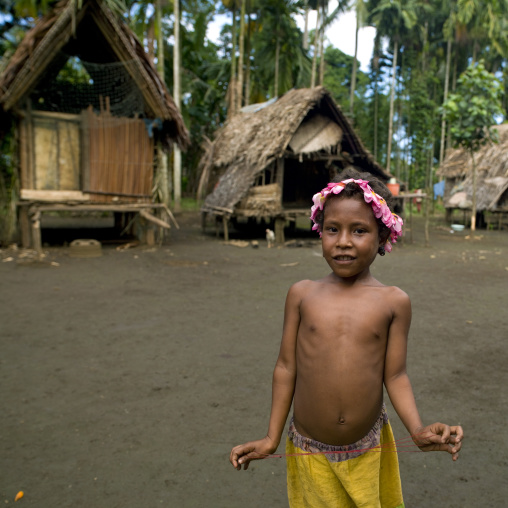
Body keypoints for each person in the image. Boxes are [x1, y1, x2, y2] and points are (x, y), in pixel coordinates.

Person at [229, 168, 463, 508]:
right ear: (319, 232)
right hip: (309, 450)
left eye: (359, 230)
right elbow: (285, 368)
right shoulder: (302, 295)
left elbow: (395, 375)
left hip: (368, 449)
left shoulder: (394, 301)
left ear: (383, 237)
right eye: (332, 229)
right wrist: (270, 437)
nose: (343, 241)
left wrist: (416, 429)